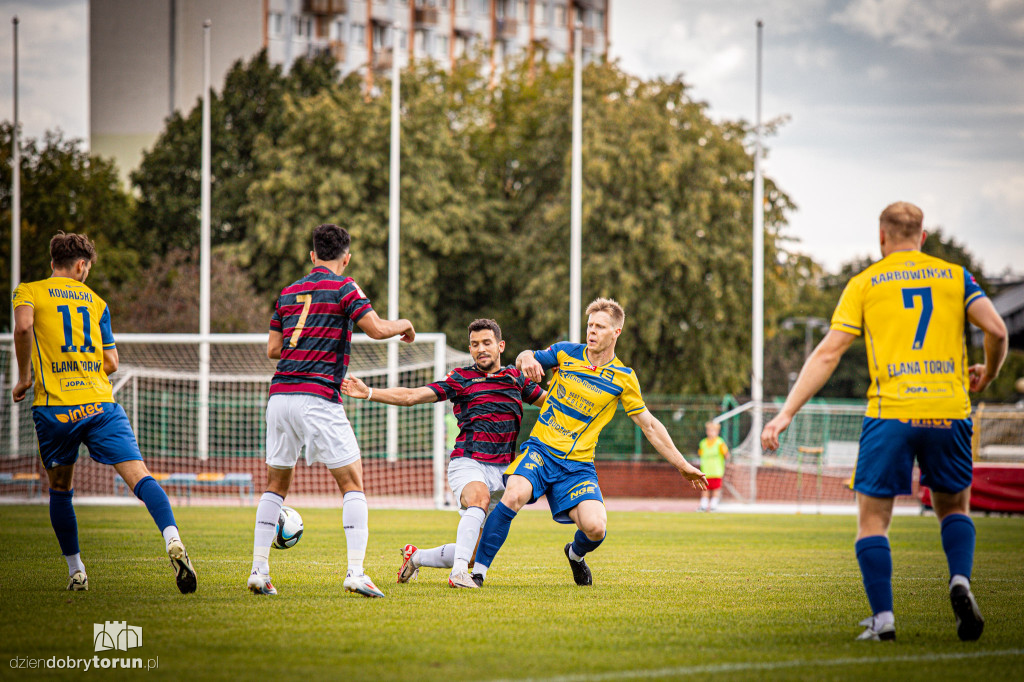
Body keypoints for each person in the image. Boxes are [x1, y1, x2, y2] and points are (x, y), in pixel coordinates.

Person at [760, 202, 1008, 642]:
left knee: (873, 521)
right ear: (923, 237)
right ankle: (960, 581)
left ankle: (884, 620)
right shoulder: (954, 276)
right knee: (954, 508)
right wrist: (987, 373)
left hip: (889, 412)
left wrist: (785, 413)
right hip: (949, 410)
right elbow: (998, 331)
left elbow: (829, 353)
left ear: (881, 237)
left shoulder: (866, 282)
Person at [470, 298, 708, 587]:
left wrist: (681, 464)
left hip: (578, 465)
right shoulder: (565, 353)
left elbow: (650, 425)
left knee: (596, 528)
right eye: (590, 325)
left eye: (600, 326)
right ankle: (478, 573)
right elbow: (525, 358)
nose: (592, 331)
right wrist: (526, 355)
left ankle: (575, 555)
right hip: (541, 451)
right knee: (514, 494)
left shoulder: (624, 378)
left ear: (616, 332)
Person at [11, 231, 197, 594]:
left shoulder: (28, 290)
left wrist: (24, 376)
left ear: (54, 262)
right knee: (141, 477)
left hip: (54, 409)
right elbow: (112, 361)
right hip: (100, 405)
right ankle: (172, 537)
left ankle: (76, 571)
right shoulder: (95, 301)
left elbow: (23, 326)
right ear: (81, 265)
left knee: (60, 489)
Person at [247, 223, 415, 598]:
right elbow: (374, 328)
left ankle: (259, 570)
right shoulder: (344, 286)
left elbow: (273, 350)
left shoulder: (288, 293)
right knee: (352, 482)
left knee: (275, 485)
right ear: (346, 257)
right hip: (317, 396)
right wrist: (403, 324)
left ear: (312, 255)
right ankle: (356, 572)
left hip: (280, 397)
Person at [341, 318, 547, 588]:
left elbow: (553, 404)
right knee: (479, 499)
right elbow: (412, 396)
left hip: (504, 471)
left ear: (500, 346)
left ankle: (416, 557)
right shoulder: (461, 378)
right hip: (468, 461)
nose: (481, 349)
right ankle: (459, 574)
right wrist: (369, 392)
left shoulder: (515, 378)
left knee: (474, 553)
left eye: (487, 343)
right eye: (475, 345)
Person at [696, 421, 729, 511]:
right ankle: (703, 505)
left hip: (716, 471)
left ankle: (714, 505)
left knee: (716, 489)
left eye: (713, 430)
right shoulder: (702, 443)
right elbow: (700, 454)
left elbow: (726, 454)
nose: (711, 432)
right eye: (709, 430)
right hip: (705, 471)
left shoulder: (720, 442)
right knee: (705, 489)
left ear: (717, 432)